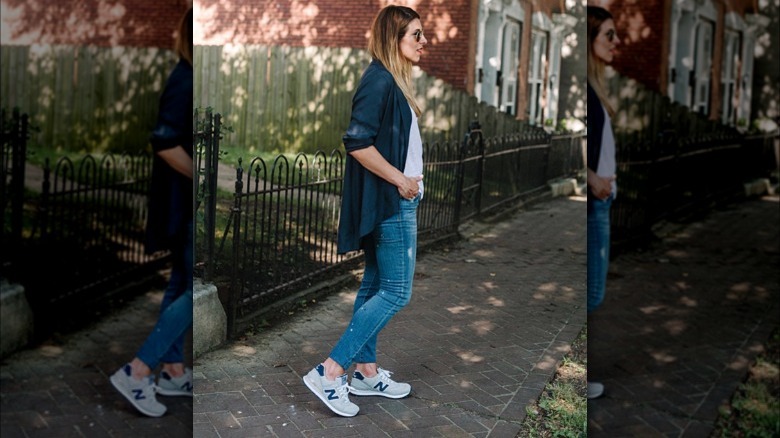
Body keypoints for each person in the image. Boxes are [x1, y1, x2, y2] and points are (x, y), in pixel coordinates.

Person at [302, 5, 427, 417]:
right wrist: (400, 180)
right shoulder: (379, 80)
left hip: (399, 198)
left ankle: (366, 372)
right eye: (416, 35)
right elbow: (357, 143)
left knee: (375, 285)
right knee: (396, 292)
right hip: (393, 201)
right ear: (396, 39)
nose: (424, 42)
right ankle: (330, 371)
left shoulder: (391, 80)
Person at [109, 7, 194, 417]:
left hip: (183, 202)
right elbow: (163, 141)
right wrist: (204, 178)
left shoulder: (190, 75)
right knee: (195, 289)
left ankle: (173, 370)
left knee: (181, 284)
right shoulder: (186, 78)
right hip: (181, 202)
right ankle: (138, 371)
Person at [586, 5, 620, 400]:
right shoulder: (588, 90)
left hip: (603, 201)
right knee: (592, 292)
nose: (615, 42)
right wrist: (594, 180)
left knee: (594, 291)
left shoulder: (597, 87)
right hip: (595, 203)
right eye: (608, 34)